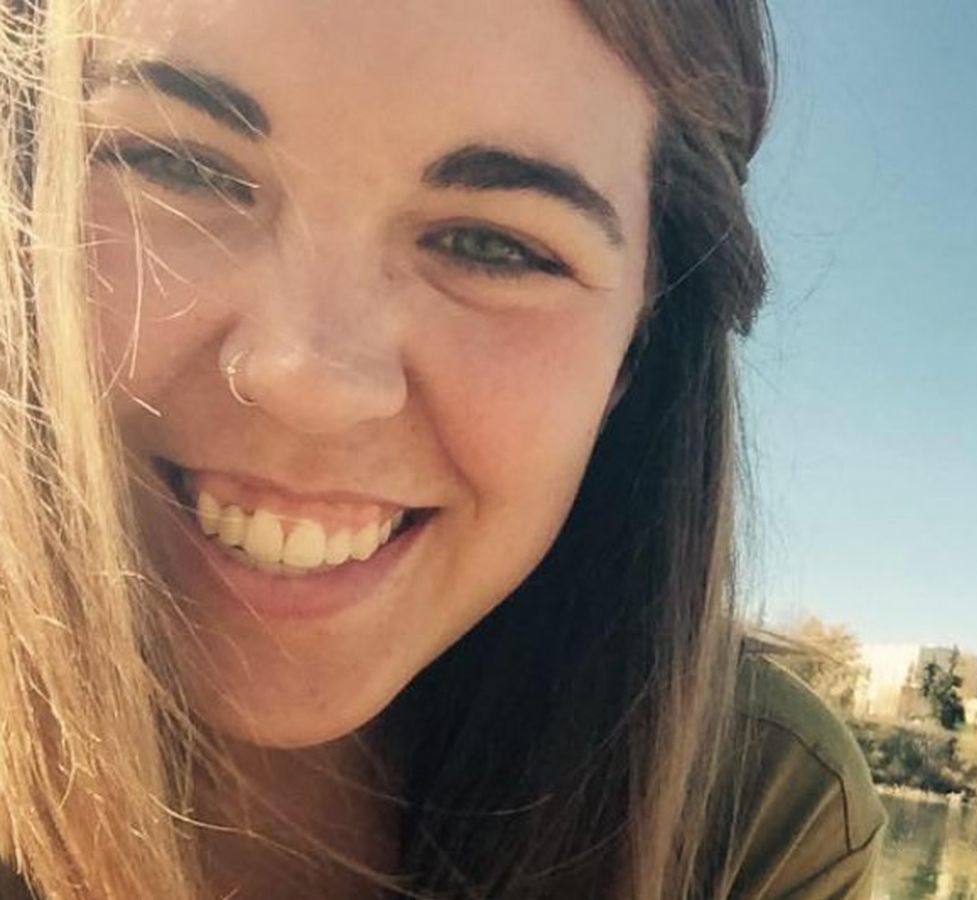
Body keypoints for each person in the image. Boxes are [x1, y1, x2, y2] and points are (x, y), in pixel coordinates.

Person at [0, 1, 885, 897]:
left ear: (637, 352)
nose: (311, 384)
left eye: (491, 245)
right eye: (177, 165)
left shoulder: (754, 814)